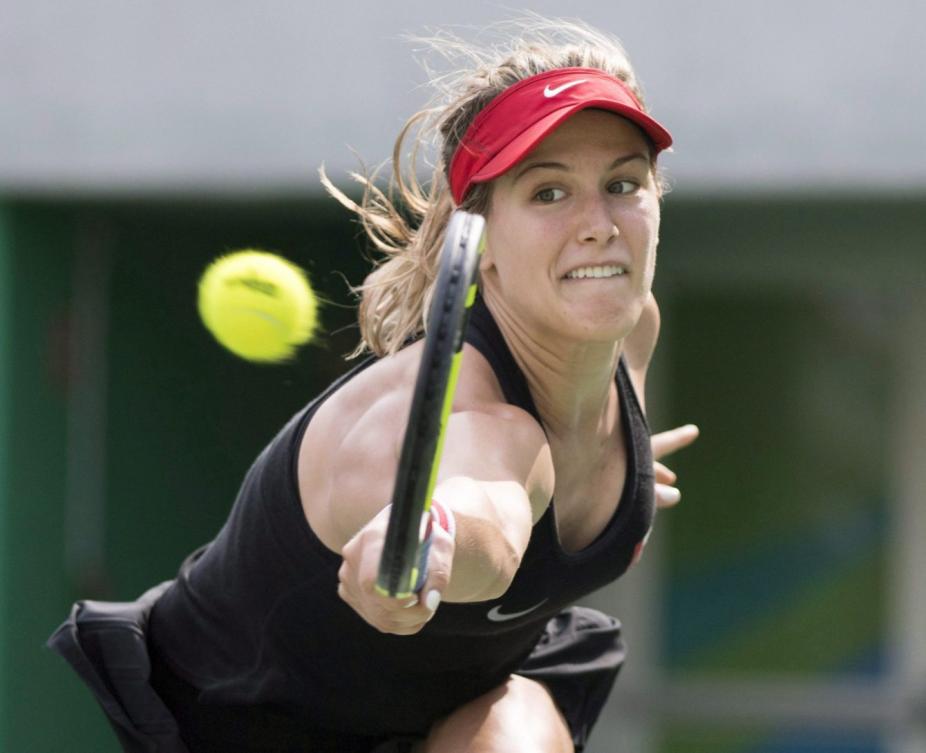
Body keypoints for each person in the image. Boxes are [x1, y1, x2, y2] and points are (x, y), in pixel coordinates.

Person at [49, 16, 699, 753]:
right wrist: (435, 540)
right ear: (479, 244)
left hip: (451, 703)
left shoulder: (628, 325)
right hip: (247, 728)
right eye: (548, 193)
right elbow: (485, 508)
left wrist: (622, 478)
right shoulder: (479, 425)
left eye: (623, 183)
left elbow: (559, 479)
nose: (599, 224)